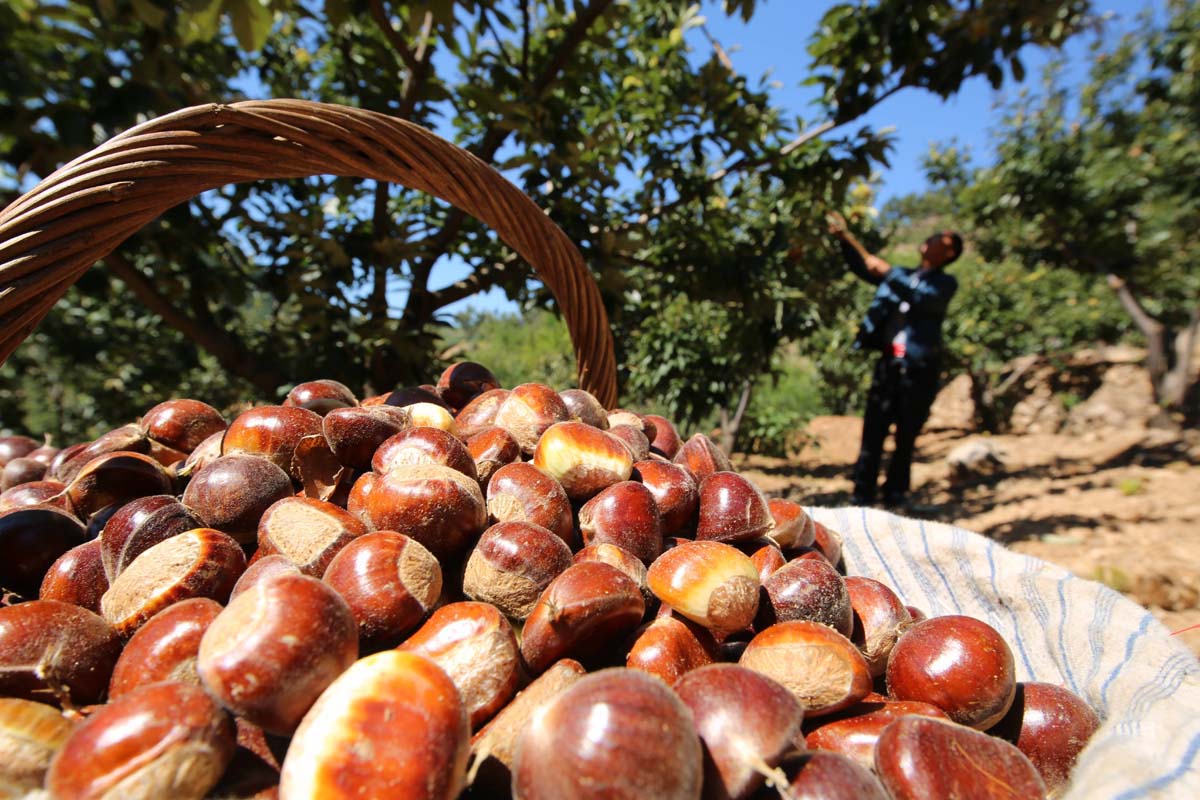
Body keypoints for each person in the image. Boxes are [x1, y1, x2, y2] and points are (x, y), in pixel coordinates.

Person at [827, 212, 963, 509]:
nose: (931, 239)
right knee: (873, 430)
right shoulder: (902, 275)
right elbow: (865, 269)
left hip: (918, 369)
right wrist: (844, 242)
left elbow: (922, 299)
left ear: (949, 252)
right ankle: (862, 494)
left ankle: (896, 494)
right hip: (888, 365)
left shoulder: (943, 284)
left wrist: (889, 273)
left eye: (940, 239)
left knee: (906, 433)